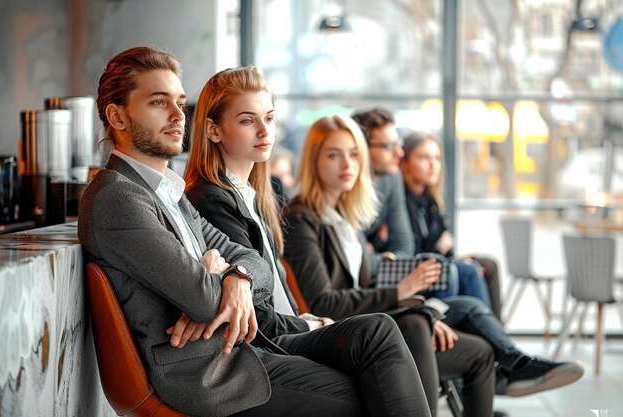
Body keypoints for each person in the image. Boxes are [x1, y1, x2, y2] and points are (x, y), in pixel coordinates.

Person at [78, 47, 432, 417]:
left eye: (180, 103)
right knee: (375, 388)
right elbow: (203, 299)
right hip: (209, 376)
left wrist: (235, 274)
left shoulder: (167, 191)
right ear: (117, 116)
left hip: (237, 352)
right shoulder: (118, 197)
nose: (177, 116)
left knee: (378, 331)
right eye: (158, 102)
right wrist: (214, 276)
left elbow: (252, 263)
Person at [282, 115, 585, 416]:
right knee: (427, 317)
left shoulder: (346, 216)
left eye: (353, 154)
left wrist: (418, 306)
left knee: (478, 346)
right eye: (334, 155)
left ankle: (512, 364)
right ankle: (513, 366)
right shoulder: (303, 218)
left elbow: (370, 278)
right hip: (343, 331)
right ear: (313, 160)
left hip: (373, 315)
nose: (347, 164)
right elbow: (322, 302)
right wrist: (404, 295)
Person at [351, 108, 495, 310]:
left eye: (436, 158)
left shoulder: (401, 186)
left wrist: (386, 258)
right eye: (388, 146)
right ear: (361, 149)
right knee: (451, 272)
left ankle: (487, 332)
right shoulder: (351, 188)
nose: (398, 153)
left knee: (479, 267)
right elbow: (353, 257)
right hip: (371, 279)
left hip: (392, 267)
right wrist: (377, 255)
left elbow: (404, 243)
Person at [399, 130, 502, 318]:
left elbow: (442, 245)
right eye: (423, 158)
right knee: (466, 272)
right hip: (417, 273)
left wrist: (454, 257)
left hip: (438, 263)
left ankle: (496, 329)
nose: (433, 165)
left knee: (487, 264)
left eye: (437, 158)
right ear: (404, 163)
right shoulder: (402, 202)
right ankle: (490, 335)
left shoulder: (431, 202)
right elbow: (414, 253)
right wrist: (442, 251)